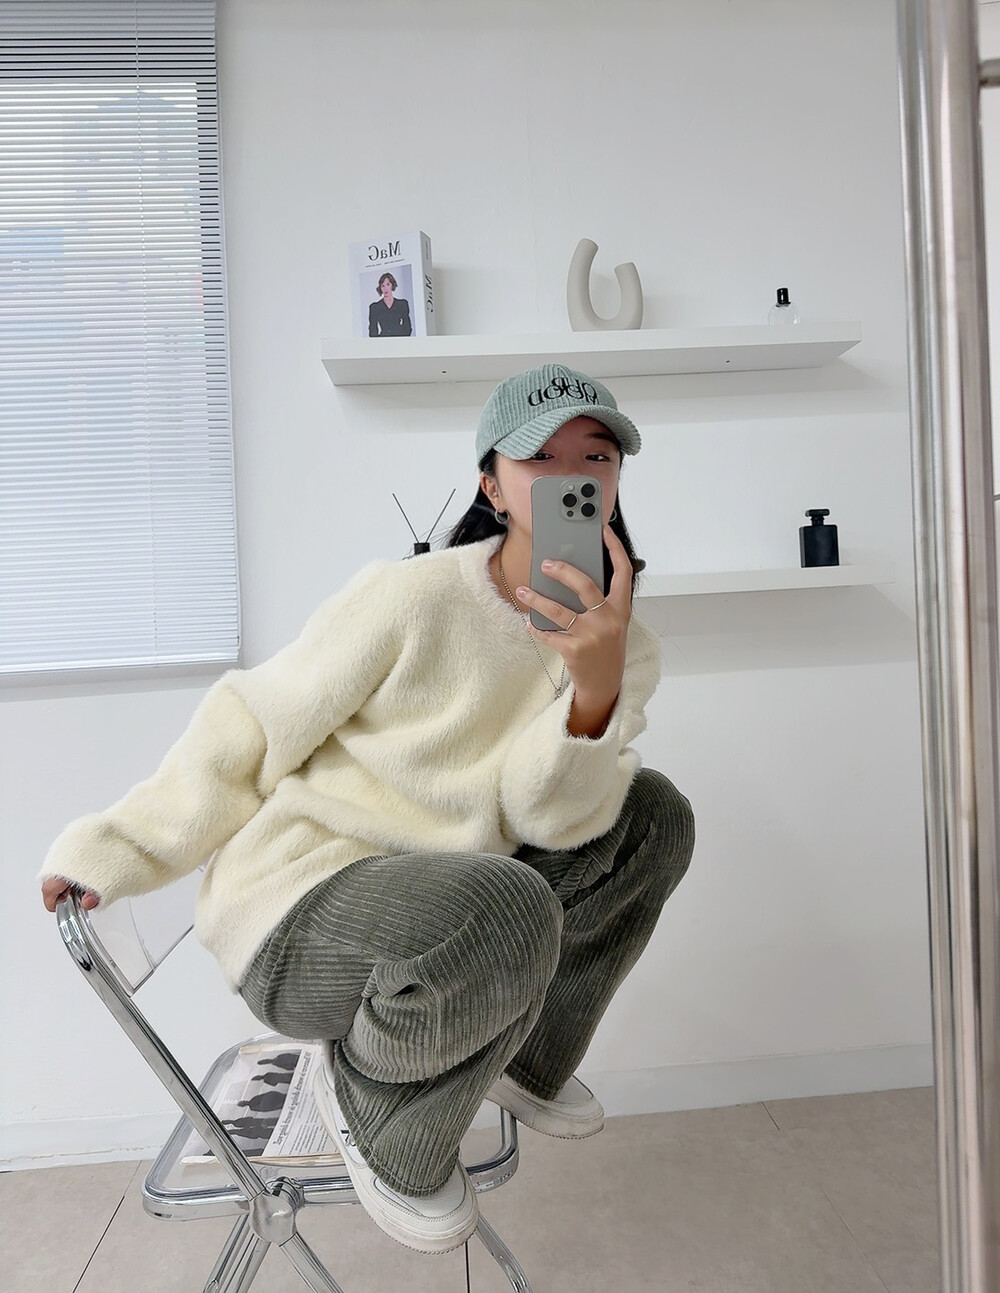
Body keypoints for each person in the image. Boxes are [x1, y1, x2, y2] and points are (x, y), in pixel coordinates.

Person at [39, 362, 695, 1257]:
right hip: (302, 908)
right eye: (539, 458)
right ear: (491, 485)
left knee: (653, 815)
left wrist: (591, 693)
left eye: (596, 456)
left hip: (453, 915)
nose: (572, 475)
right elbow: (253, 723)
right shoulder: (410, 597)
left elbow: (548, 816)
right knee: (507, 905)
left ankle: (527, 1055)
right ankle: (371, 1096)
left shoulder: (625, 649)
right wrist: (117, 847)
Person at [368, 271, 412, 337]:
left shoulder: (402, 304)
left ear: (392, 285)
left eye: (388, 284)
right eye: (383, 286)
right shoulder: (375, 307)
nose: (385, 288)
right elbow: (372, 330)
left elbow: (407, 327)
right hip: (383, 340)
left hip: (399, 338)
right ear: (380, 288)